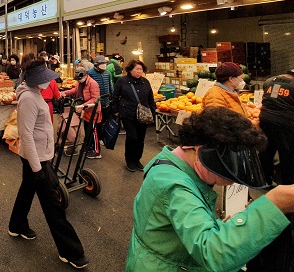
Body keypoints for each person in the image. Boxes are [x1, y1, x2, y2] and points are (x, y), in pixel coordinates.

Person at [125, 107, 294, 272]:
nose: (232, 182)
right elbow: (213, 253)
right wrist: (274, 204)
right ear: (201, 152)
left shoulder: (172, 162)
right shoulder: (175, 187)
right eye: (229, 170)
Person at [8, 55, 88, 270]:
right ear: (34, 79)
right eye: (44, 77)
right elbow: (25, 134)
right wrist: (37, 168)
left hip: (39, 156)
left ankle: (17, 225)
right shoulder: (29, 99)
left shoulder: (34, 94)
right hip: (36, 160)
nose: (48, 81)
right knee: (54, 206)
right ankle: (71, 251)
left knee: (26, 191)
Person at [253, 68, 294, 272]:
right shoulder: (293, 84)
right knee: (288, 155)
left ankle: (262, 178)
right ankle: (287, 186)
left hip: (266, 118)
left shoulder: (270, 80)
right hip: (286, 122)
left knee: (267, 152)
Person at [112, 59, 155, 172]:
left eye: (141, 69)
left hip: (143, 115)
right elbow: (115, 97)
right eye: (137, 69)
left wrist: (153, 112)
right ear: (130, 69)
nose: (139, 71)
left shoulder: (145, 82)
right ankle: (129, 160)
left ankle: (137, 160)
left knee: (140, 138)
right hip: (128, 114)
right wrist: (115, 110)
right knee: (132, 137)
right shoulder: (122, 81)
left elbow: (151, 98)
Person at [61, 67, 101, 158]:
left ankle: (97, 151)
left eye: (80, 78)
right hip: (85, 110)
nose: (79, 80)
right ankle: (89, 146)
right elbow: (75, 90)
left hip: (93, 110)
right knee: (87, 130)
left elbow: (95, 99)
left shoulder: (93, 83)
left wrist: (83, 106)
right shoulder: (80, 82)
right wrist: (65, 93)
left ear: (86, 75)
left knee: (93, 130)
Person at [87, 56, 113, 149]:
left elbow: (110, 85)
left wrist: (112, 97)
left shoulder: (108, 73)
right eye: (101, 63)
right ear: (96, 65)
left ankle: (101, 137)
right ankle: (93, 140)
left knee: (104, 121)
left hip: (106, 102)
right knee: (96, 122)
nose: (104, 65)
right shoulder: (90, 73)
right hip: (96, 103)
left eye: (105, 63)